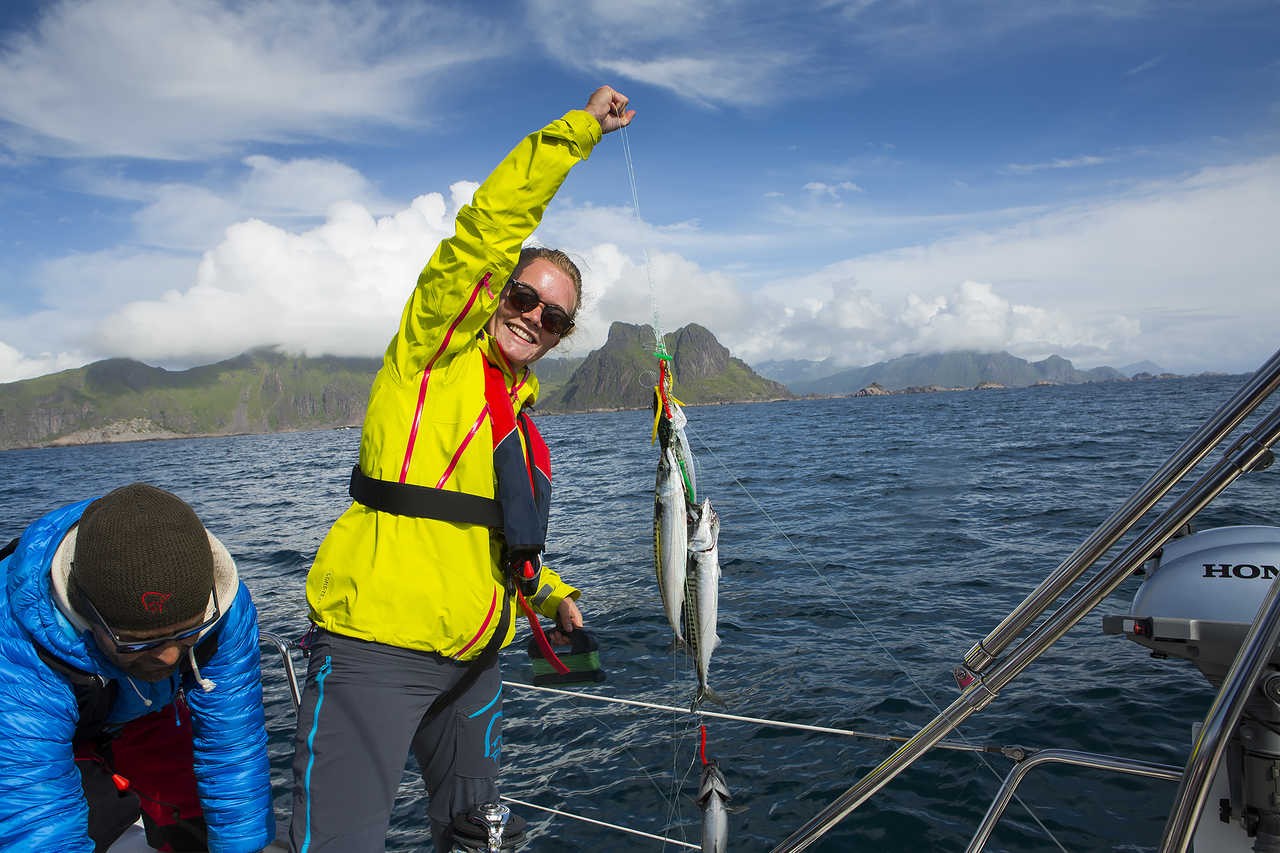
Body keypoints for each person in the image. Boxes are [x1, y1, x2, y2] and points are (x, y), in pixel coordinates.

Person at [287, 86, 635, 852]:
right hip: (378, 649)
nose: (533, 317)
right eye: (524, 295)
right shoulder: (430, 358)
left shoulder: (521, 420)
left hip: (476, 662)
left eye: (555, 317)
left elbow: (486, 531)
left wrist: (552, 595)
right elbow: (487, 228)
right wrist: (580, 133)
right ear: (496, 291)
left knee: (477, 837)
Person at [0, 482, 274, 852]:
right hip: (38, 726)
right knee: (97, 821)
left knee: (195, 809)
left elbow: (232, 745)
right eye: (138, 642)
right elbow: (35, 823)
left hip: (137, 706)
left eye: (187, 634)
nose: (170, 658)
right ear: (84, 613)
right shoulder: (15, 650)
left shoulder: (219, 605)